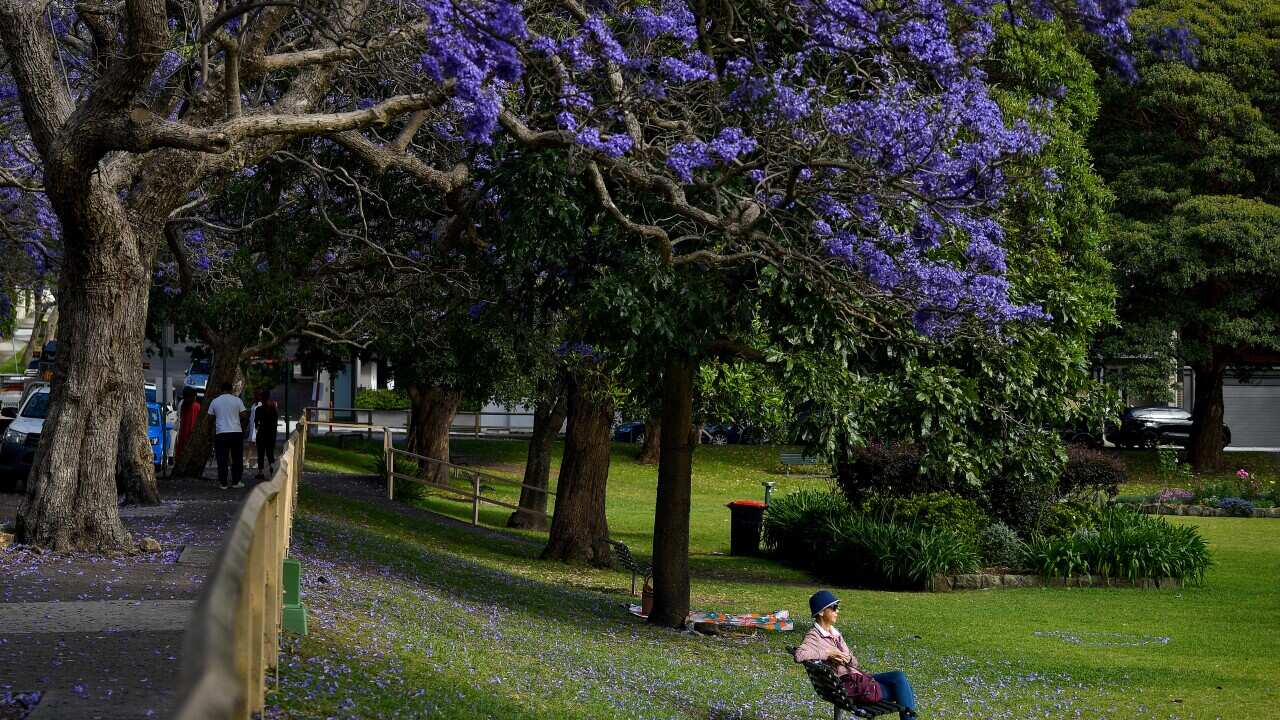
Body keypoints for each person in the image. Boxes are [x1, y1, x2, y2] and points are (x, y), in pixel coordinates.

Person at [794, 590, 919, 719]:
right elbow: (799, 654)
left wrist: (848, 658)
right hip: (850, 687)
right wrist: (828, 653)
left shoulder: (835, 634)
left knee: (899, 677)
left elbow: (854, 663)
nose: (837, 611)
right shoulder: (814, 636)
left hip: (856, 680)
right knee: (903, 689)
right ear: (821, 612)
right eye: (834, 608)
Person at [207, 382, 247, 490]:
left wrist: (212, 430)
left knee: (222, 459)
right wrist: (237, 421)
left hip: (221, 433)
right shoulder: (237, 400)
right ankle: (236, 481)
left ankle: (223, 483)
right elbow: (244, 415)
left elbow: (210, 418)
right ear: (231, 390)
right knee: (237, 458)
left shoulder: (215, 401)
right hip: (236, 432)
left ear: (221, 390)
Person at [254, 389, 280, 480]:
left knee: (260, 453)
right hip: (271, 434)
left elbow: (256, 423)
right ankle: (272, 468)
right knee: (270, 453)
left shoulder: (258, 409)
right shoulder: (274, 409)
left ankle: (260, 472)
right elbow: (275, 421)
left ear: (261, 398)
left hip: (261, 434)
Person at [174, 386, 202, 460]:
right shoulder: (196, 406)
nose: (195, 398)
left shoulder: (182, 404)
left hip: (183, 435)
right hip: (190, 437)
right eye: (194, 396)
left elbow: (179, 416)